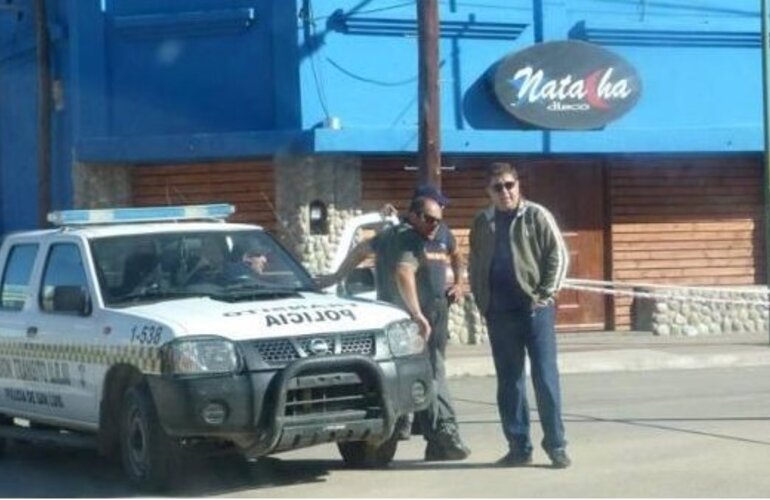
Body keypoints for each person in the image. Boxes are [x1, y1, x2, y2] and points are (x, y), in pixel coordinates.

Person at [316, 195, 471, 461]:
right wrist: (416, 314)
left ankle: (424, 437)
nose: (435, 223)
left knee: (425, 372)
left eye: (439, 217)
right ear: (413, 215)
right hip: (409, 318)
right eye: (430, 218)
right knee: (431, 372)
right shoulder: (402, 238)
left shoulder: (438, 234)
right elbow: (400, 271)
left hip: (435, 313)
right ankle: (444, 435)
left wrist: (458, 282)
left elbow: (456, 254)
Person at [468, 161, 571, 468]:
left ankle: (556, 445)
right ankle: (518, 446)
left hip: (534, 311)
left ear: (518, 186)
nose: (505, 193)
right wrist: (482, 301)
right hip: (499, 313)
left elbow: (558, 253)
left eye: (509, 185)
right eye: (498, 187)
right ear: (489, 191)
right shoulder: (481, 222)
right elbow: (474, 263)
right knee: (509, 382)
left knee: (545, 379)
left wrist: (546, 294)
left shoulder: (536, 215)